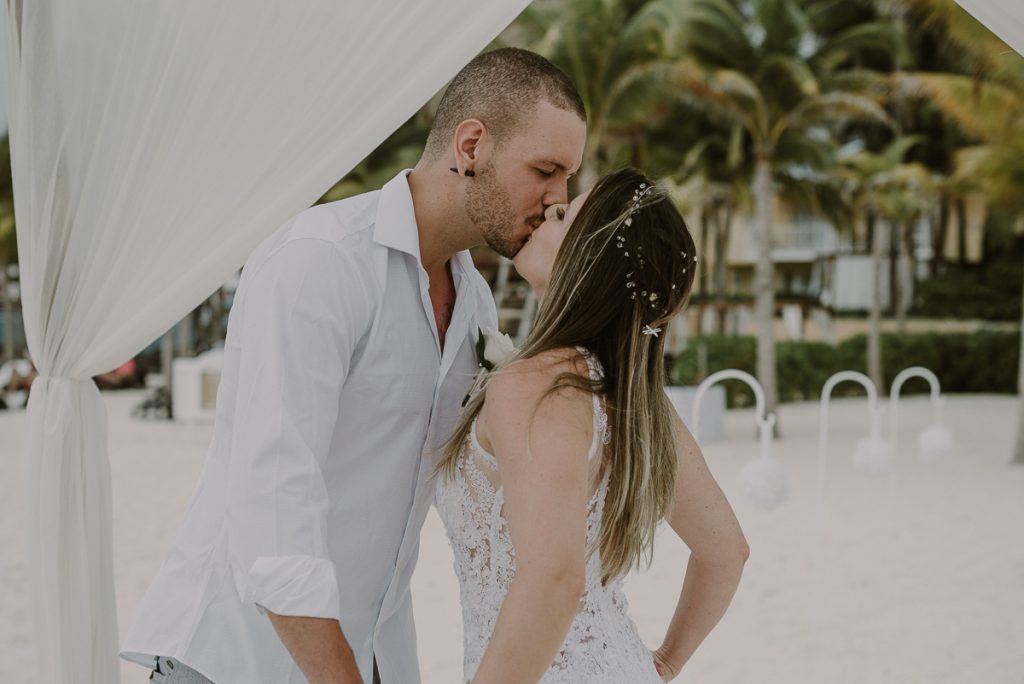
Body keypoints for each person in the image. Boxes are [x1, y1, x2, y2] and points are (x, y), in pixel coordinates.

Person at [121, 47, 587, 684]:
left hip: (370, 657)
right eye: (546, 170)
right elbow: (275, 518)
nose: (559, 198)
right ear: (472, 145)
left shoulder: (475, 302)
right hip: (239, 662)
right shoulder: (319, 262)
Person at [434, 168, 749, 683]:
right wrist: (665, 662)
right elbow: (726, 551)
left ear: (589, 262)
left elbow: (554, 578)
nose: (545, 212)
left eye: (563, 216)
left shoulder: (536, 386)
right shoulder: (636, 401)